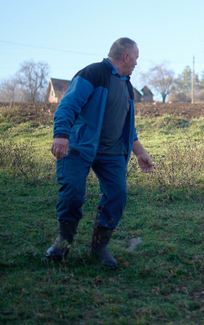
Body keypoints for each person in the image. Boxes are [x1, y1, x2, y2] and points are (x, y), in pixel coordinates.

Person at [46, 37, 154, 268]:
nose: (136, 63)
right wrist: (61, 134)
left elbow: (127, 125)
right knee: (72, 193)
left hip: (111, 152)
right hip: (79, 147)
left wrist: (140, 152)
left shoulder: (126, 85)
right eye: (135, 58)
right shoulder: (93, 74)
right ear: (126, 56)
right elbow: (68, 105)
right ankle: (63, 242)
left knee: (118, 194)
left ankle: (99, 246)